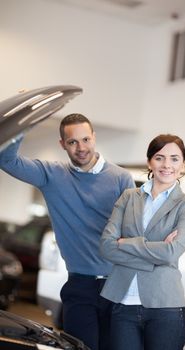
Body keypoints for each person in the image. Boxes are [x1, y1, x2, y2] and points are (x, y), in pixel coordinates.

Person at [0, 113, 135, 350]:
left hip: (118, 285)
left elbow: (133, 229)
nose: (81, 147)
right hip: (79, 286)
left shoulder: (121, 178)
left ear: (94, 137)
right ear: (62, 144)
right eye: (73, 142)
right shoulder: (51, 175)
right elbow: (7, 160)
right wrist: (24, 124)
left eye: (85, 140)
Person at [99, 134, 185, 350]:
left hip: (166, 307)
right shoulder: (128, 197)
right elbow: (107, 247)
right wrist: (155, 254)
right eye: (159, 157)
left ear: (183, 165)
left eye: (174, 159)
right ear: (149, 162)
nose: (166, 165)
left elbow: (170, 253)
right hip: (122, 303)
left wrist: (126, 242)